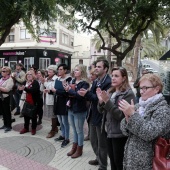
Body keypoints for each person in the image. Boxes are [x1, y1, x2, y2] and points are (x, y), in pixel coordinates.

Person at [119, 73, 170, 170]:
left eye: (145, 88)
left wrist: (133, 115)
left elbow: (149, 133)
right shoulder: (140, 105)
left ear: (156, 89)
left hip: (150, 163)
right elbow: (124, 131)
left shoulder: (163, 110)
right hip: (132, 161)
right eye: (140, 88)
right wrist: (127, 118)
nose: (141, 92)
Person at [96, 67, 135, 170]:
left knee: (119, 163)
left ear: (124, 78)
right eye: (112, 75)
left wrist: (107, 102)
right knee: (112, 161)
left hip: (119, 134)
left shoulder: (128, 94)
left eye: (116, 76)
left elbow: (119, 115)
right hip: (108, 131)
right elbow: (101, 111)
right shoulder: (110, 92)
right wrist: (101, 101)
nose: (113, 78)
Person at [78, 59, 111, 170]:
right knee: (93, 140)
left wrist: (87, 94)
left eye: (99, 67)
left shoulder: (108, 82)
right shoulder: (97, 80)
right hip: (93, 114)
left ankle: (103, 165)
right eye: (96, 66)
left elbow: (100, 100)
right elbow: (93, 95)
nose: (96, 68)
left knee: (102, 143)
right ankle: (98, 158)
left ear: (105, 69)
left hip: (101, 115)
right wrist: (86, 93)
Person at [64, 64, 89, 158]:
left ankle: (79, 149)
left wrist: (69, 90)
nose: (75, 71)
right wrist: (66, 90)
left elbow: (80, 96)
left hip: (79, 109)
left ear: (82, 71)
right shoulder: (72, 80)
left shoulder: (84, 83)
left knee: (79, 130)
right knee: (74, 130)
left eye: (77, 70)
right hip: (71, 107)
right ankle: (74, 148)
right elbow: (71, 94)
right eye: (74, 70)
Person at [51, 64, 72, 147]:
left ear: (65, 70)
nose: (59, 71)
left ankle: (67, 138)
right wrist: (49, 91)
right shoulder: (58, 79)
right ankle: (63, 135)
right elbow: (56, 90)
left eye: (61, 69)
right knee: (60, 120)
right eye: (58, 69)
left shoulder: (69, 79)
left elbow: (67, 93)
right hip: (57, 101)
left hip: (64, 102)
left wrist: (56, 91)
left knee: (65, 121)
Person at [19, 71, 40, 135]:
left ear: (33, 75)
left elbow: (33, 91)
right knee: (26, 115)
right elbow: (20, 92)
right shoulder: (24, 82)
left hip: (33, 102)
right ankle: (26, 128)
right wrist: (19, 89)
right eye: (27, 74)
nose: (29, 75)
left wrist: (25, 88)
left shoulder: (35, 83)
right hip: (26, 101)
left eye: (30, 74)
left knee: (33, 116)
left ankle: (33, 129)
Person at [41, 65, 59, 138]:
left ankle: (53, 130)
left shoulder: (56, 79)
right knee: (51, 115)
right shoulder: (47, 78)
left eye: (50, 70)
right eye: (48, 70)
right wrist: (43, 82)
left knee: (53, 115)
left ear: (54, 72)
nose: (48, 71)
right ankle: (55, 127)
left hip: (53, 99)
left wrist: (44, 82)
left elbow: (52, 88)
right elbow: (42, 88)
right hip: (47, 98)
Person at [0, 66, 14, 132]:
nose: (2, 72)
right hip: (1, 97)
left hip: (6, 97)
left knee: (7, 112)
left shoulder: (10, 80)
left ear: (8, 72)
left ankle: (9, 126)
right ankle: (5, 124)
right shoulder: (2, 79)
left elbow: (7, 89)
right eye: (2, 71)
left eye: (4, 71)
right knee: (3, 112)